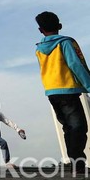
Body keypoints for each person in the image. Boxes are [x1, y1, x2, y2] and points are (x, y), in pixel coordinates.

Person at [35, 11, 90, 174]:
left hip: (52, 92)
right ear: (59, 26)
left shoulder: (39, 49)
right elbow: (76, 64)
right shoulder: (66, 43)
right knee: (79, 127)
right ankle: (77, 163)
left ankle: (73, 162)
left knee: (68, 127)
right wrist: (88, 84)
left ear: (40, 30)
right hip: (68, 90)